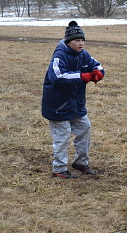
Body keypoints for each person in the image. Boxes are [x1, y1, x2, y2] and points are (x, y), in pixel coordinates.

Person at [42, 21, 104, 179]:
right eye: (77, 40)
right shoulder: (59, 56)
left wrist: (98, 73)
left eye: (82, 40)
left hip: (76, 105)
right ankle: (59, 169)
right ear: (69, 42)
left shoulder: (84, 54)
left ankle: (81, 163)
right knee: (62, 136)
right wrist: (83, 77)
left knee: (85, 128)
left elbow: (97, 66)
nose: (81, 43)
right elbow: (58, 77)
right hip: (58, 106)